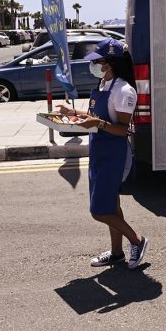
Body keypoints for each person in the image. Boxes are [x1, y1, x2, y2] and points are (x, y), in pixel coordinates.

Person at [56, 38, 149, 270]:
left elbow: (122, 129)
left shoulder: (124, 91)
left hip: (114, 154)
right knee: (112, 205)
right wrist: (72, 112)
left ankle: (137, 241)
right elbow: (94, 117)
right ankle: (117, 253)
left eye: (98, 61)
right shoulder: (103, 85)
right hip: (98, 151)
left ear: (111, 63)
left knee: (99, 211)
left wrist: (98, 123)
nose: (94, 65)